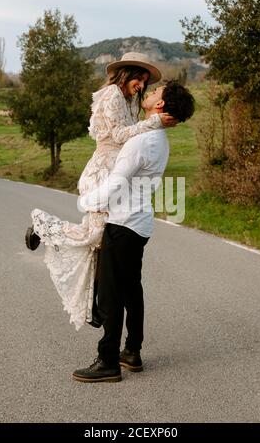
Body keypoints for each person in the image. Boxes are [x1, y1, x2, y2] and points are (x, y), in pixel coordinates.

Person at [25, 53, 178, 331]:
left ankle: (94, 306)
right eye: (139, 77)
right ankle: (41, 226)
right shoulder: (111, 95)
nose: (142, 83)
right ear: (126, 73)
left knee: (100, 244)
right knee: (96, 236)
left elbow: (131, 135)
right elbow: (119, 135)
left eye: (145, 80)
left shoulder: (130, 100)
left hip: (117, 169)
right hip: (103, 172)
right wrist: (154, 123)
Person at [72, 80, 195, 383]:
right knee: (131, 289)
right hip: (139, 224)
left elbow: (116, 182)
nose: (149, 93)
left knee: (110, 295)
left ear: (161, 105)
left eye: (155, 92)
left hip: (123, 223)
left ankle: (107, 362)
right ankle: (132, 352)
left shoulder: (142, 141)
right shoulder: (157, 139)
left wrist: (86, 201)